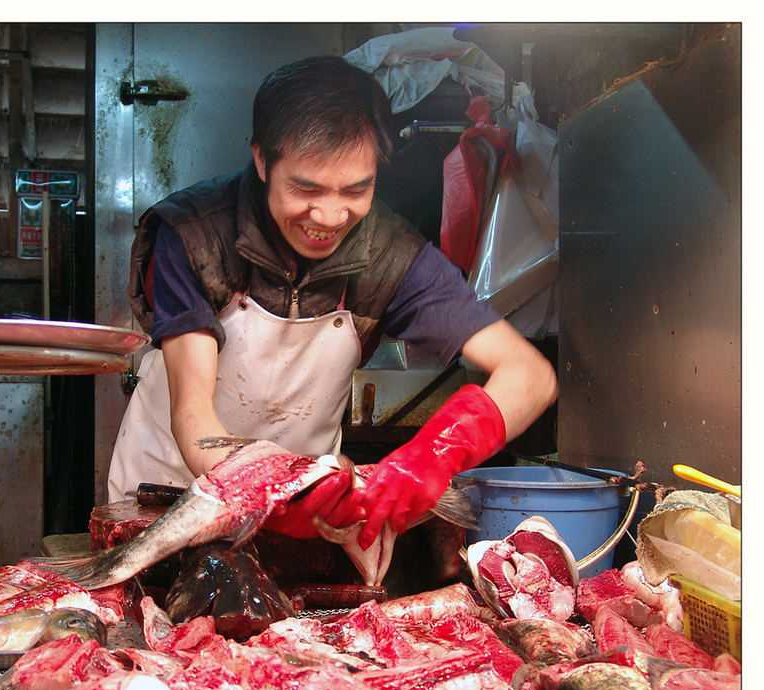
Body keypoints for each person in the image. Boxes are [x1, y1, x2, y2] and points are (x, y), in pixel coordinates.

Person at [108, 55, 557, 550]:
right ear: (262, 160)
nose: (329, 215)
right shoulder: (191, 234)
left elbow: (530, 376)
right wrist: (278, 496)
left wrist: (430, 457)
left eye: (356, 189)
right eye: (306, 188)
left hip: (311, 517)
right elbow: (195, 422)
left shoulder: (392, 254)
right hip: (168, 498)